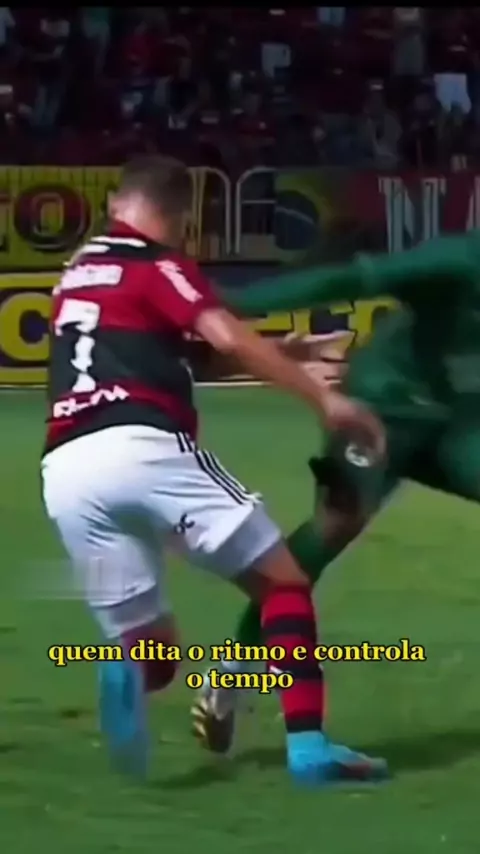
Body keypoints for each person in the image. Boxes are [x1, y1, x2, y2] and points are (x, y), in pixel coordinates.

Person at [40, 155, 386, 784]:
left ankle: (127, 671)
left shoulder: (79, 272)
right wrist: (324, 398)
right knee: (283, 582)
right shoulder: (158, 262)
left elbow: (177, 355)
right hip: (141, 445)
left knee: (156, 656)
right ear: (180, 213)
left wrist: (284, 354)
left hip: (67, 469)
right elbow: (224, 336)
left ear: (118, 204)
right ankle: (309, 750)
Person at [191, 230, 480, 755]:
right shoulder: (462, 259)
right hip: (381, 407)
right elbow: (348, 278)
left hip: (457, 424)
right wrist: (228, 302)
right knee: (334, 526)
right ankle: (233, 672)